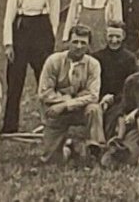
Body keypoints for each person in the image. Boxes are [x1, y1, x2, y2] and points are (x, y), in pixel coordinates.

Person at [2, 0, 61, 134]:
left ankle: (49, 123)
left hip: (41, 30)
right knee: (15, 80)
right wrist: (9, 42)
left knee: (45, 80)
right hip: (22, 28)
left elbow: (54, 14)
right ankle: (10, 125)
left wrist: (49, 41)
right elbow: (9, 12)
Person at [38, 25, 105, 162]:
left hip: (80, 110)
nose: (79, 46)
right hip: (55, 111)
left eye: (83, 43)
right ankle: (69, 148)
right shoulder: (53, 61)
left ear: (88, 46)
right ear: (68, 42)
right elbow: (45, 92)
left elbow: (93, 95)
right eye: (75, 42)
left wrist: (66, 104)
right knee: (51, 160)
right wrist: (64, 102)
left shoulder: (93, 64)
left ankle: (95, 150)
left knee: (94, 109)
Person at [100, 45, 139, 166]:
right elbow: (124, 109)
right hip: (136, 127)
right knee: (116, 159)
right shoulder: (131, 81)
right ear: (137, 61)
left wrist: (137, 111)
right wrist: (120, 136)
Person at [92, 23, 136, 137]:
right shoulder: (96, 57)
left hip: (121, 98)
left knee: (116, 114)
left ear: (124, 36)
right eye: (110, 36)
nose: (114, 40)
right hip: (99, 97)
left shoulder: (130, 58)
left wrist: (113, 98)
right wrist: (102, 98)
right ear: (105, 36)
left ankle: (113, 143)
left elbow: (131, 85)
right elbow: (93, 82)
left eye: (118, 36)